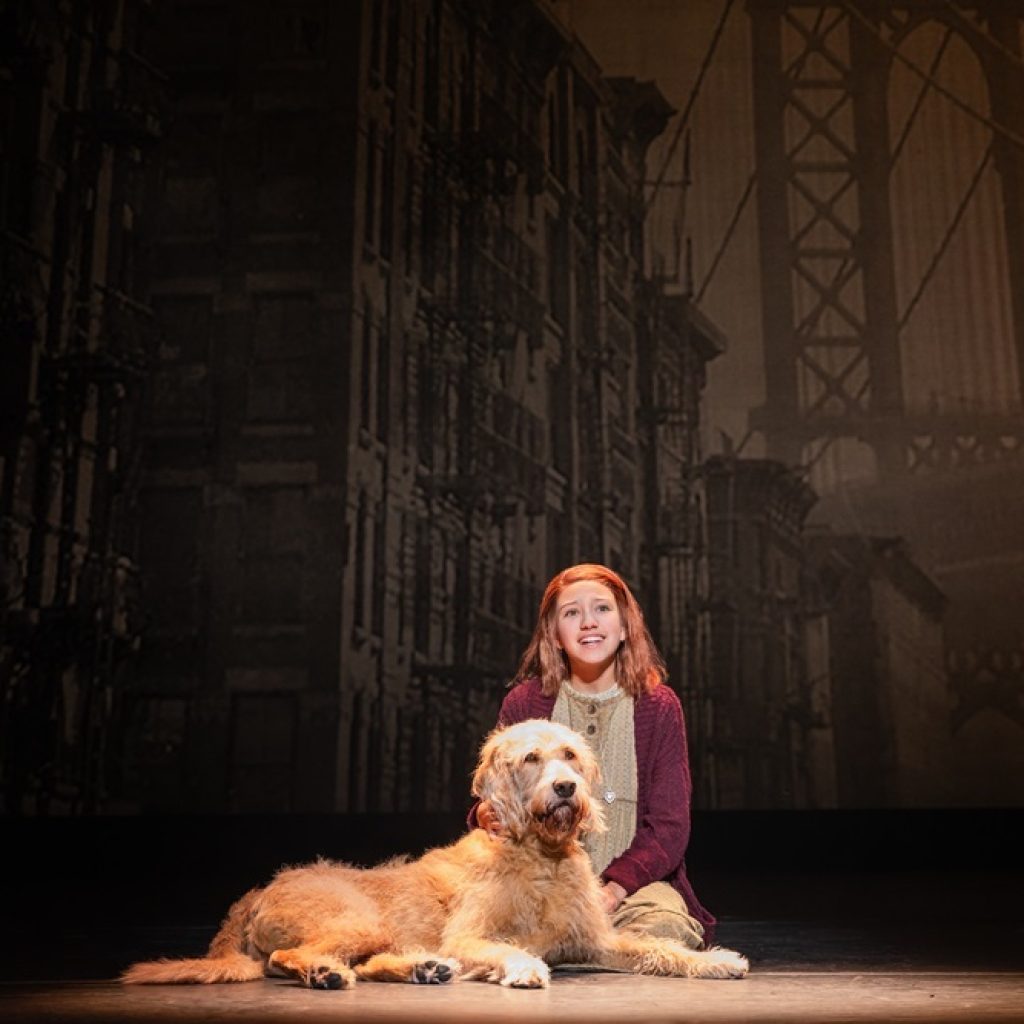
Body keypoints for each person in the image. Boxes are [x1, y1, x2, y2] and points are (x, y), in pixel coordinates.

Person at [472, 563, 715, 949]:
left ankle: (569, 948)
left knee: (666, 931)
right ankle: (575, 946)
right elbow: (492, 797)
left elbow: (670, 826)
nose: (588, 622)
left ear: (624, 627)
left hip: (634, 890)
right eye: (571, 613)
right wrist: (486, 815)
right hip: (538, 881)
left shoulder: (659, 706)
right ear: (554, 634)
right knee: (498, 932)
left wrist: (613, 891)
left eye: (602, 609)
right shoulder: (525, 702)